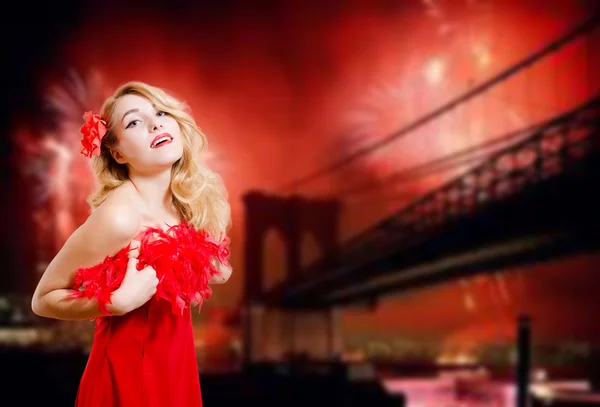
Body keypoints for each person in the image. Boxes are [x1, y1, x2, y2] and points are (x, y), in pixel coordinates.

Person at [31, 81, 233, 406]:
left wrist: (202, 264)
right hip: (127, 381)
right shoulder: (119, 217)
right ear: (118, 152)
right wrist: (113, 302)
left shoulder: (186, 204)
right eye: (135, 122)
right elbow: (42, 300)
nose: (155, 123)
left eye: (161, 112)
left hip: (178, 375)